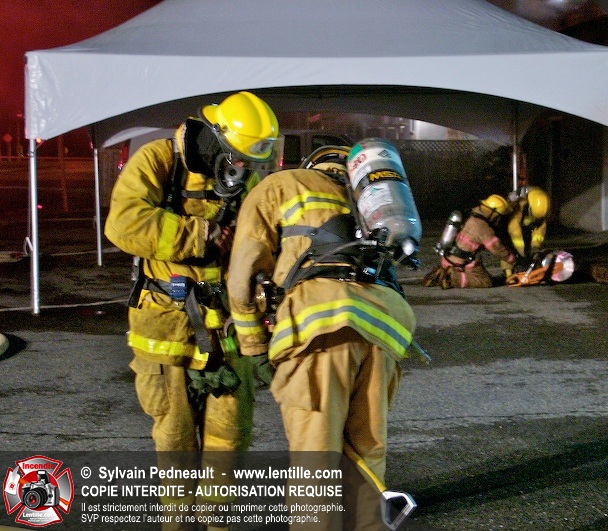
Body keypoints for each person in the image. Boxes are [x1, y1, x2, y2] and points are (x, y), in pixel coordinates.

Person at [104, 91, 280, 531]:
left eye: (251, 162)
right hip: (167, 331)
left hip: (227, 335)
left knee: (229, 443)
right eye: (237, 157)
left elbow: (260, 245)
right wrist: (203, 235)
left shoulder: (244, 179)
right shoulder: (159, 160)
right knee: (176, 443)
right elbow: (124, 223)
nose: (243, 168)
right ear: (215, 139)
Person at [225, 144, 417, 529]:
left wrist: (255, 348)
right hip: (386, 328)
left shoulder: (281, 184)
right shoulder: (369, 203)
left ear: (313, 164)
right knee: (367, 454)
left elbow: (243, 275)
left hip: (319, 325)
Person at [422, 194, 523, 288]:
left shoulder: (471, 213)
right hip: (460, 265)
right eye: (498, 216)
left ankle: (443, 272)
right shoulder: (482, 227)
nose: (498, 219)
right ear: (493, 212)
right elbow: (496, 248)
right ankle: (452, 278)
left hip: (448, 259)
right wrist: (512, 259)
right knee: (486, 282)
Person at [502, 185, 550, 281]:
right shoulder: (518, 207)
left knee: (533, 253)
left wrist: (535, 247)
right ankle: (509, 274)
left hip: (526, 229)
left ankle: (536, 272)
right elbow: (514, 231)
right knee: (507, 248)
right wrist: (521, 252)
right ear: (529, 207)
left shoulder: (542, 207)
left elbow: (539, 232)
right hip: (509, 230)